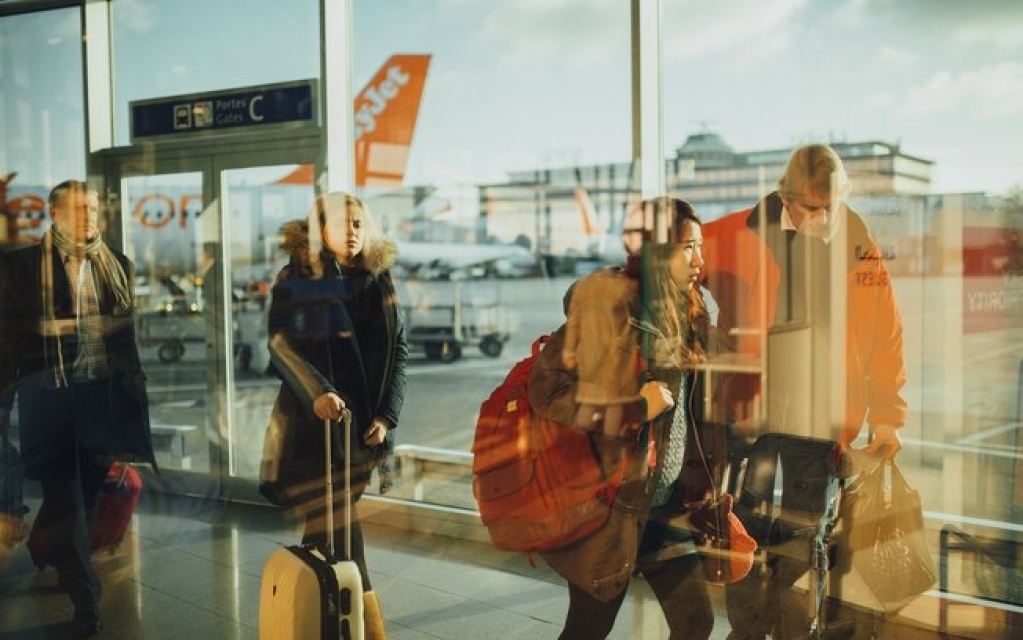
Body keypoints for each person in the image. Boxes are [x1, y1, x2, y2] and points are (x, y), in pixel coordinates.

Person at [701, 144, 907, 638]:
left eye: (831, 206)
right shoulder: (736, 232)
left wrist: (888, 417)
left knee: (804, 531)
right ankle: (748, 628)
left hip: (821, 414)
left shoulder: (856, 240)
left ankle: (792, 624)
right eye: (811, 208)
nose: (823, 217)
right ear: (786, 197)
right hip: (752, 412)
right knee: (743, 528)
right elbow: (672, 265)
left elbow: (885, 332)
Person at [529, 196, 719, 640]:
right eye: (688, 247)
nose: (700, 259)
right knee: (587, 631)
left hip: (664, 504)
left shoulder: (690, 310)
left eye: (700, 246)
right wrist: (635, 408)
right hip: (611, 508)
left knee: (696, 623)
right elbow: (548, 390)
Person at [0, 180, 155, 636]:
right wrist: (50, 331)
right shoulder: (23, 267)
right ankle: (87, 602)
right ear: (54, 212)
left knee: (83, 505)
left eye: (93, 208)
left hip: (100, 402)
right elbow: (9, 338)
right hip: (48, 400)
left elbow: (125, 341)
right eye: (77, 208)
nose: (89, 216)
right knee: (67, 501)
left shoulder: (116, 265)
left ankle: (52, 551)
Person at [260, 191, 407, 639]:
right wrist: (319, 391)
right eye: (342, 223)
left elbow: (399, 350)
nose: (353, 230)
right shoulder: (297, 279)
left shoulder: (379, 280)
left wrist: (386, 416)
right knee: (340, 530)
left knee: (326, 536)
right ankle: (366, 630)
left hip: (363, 431)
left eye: (359, 222)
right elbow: (280, 347)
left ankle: (305, 619)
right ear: (321, 231)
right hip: (315, 430)